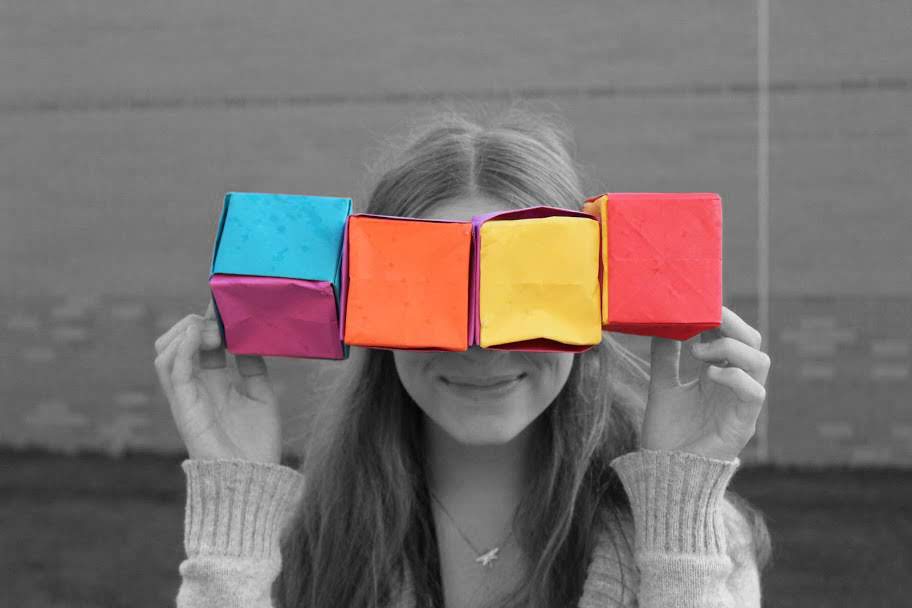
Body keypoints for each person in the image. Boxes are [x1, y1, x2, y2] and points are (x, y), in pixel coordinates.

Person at [154, 108, 772, 608]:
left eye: (525, 295)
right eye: (431, 293)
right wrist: (234, 510)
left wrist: (678, 506)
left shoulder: (696, 538)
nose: (479, 342)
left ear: (593, 302)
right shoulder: (295, 541)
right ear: (367, 306)